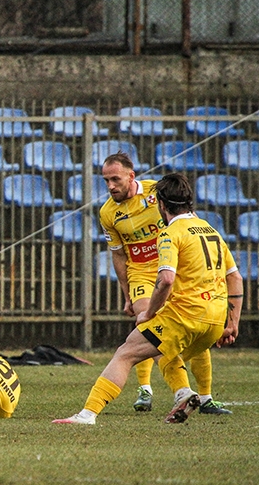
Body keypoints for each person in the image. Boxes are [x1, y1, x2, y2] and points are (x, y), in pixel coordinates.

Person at [54, 173, 243, 425]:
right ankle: (186, 393)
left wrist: (149, 312)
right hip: (215, 322)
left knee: (125, 353)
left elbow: (165, 279)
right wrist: (233, 322)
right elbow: (236, 278)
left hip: (186, 317)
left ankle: (87, 414)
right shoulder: (211, 231)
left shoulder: (170, 233)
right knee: (163, 350)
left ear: (161, 205)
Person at [98, 152, 230, 415]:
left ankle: (205, 397)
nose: (110, 185)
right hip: (141, 275)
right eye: (106, 180)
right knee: (151, 328)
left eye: (115, 179)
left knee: (190, 330)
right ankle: (174, 391)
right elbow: (118, 254)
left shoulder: (156, 194)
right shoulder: (107, 213)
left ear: (131, 176)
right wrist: (127, 295)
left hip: (170, 270)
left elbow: (186, 222)